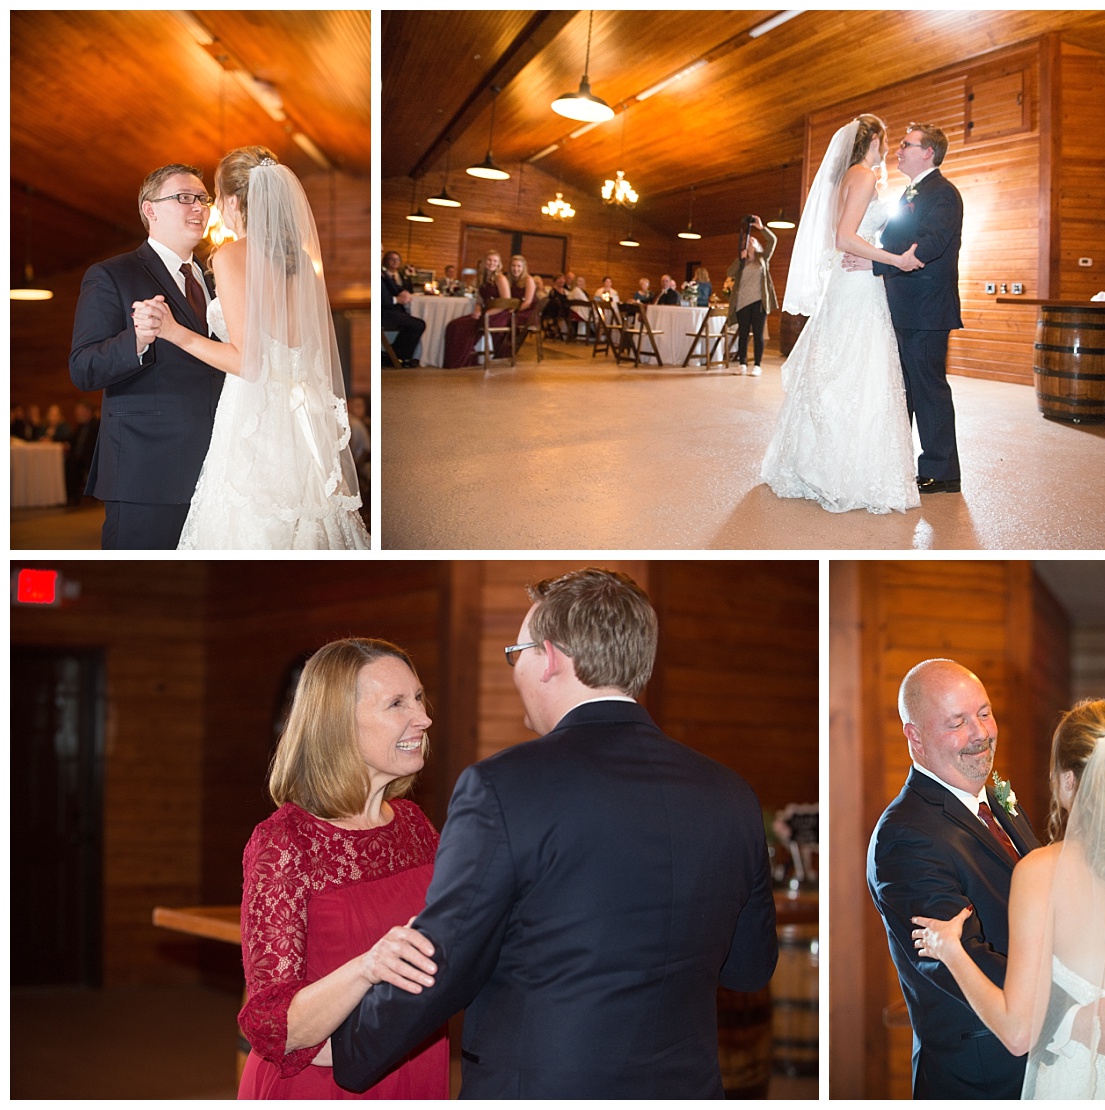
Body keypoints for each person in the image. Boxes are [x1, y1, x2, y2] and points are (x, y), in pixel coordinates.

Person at [331, 568, 778, 1097]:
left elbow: (443, 961)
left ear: (551, 658)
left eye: (516, 652)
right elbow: (750, 968)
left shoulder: (501, 788)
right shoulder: (731, 794)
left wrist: (352, 1049)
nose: (514, 667)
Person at [867, 661, 1105, 1099]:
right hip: (988, 1075)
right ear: (915, 736)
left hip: (1059, 1063)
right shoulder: (905, 835)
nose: (981, 733)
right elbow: (956, 958)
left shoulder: (998, 800)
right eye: (958, 722)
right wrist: (1081, 1017)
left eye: (984, 713)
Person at [237, 637, 448, 1099]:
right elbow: (273, 1026)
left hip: (415, 1066)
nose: (423, 717)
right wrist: (368, 967)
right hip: (323, 1085)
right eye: (397, 703)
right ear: (338, 726)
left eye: (418, 697)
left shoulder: (413, 825)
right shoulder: (285, 841)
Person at [132, 146, 369, 549]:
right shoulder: (304, 265)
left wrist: (174, 331)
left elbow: (248, 361)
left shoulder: (232, 256)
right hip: (304, 420)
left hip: (255, 419)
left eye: (215, 199)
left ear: (234, 200)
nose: (214, 210)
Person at [762, 115, 922, 513]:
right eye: (886, 141)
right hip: (857, 283)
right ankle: (844, 470)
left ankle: (811, 461)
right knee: (858, 365)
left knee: (839, 362)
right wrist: (894, 260)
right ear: (874, 141)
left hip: (845, 278)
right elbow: (845, 237)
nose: (889, 149)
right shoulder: (865, 175)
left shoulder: (844, 177)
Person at [69, 162, 225, 548]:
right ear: (150, 209)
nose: (199, 208)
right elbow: (84, 367)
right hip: (149, 468)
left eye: (203, 199)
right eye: (184, 198)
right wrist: (137, 339)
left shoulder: (213, 278)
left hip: (219, 468)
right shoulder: (112, 274)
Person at [851, 122, 965, 495]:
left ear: (927, 152)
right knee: (906, 389)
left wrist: (876, 264)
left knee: (928, 386)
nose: (898, 150)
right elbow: (898, 242)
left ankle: (942, 471)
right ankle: (904, 461)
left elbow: (928, 246)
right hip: (904, 304)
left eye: (906, 145)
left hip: (928, 307)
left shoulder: (944, 194)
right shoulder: (911, 193)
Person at [725, 219, 778, 374]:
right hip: (742, 302)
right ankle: (742, 364)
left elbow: (773, 240)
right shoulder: (741, 262)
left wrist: (761, 227)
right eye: (748, 240)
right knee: (743, 334)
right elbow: (729, 273)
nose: (750, 241)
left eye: (753, 240)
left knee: (758, 334)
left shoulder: (763, 258)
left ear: (756, 245)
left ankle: (757, 365)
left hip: (759, 302)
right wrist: (740, 259)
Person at [443, 250, 511, 367]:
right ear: (485, 262)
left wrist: (486, 314)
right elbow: (479, 299)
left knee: (462, 327)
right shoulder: (482, 278)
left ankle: (462, 362)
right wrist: (477, 310)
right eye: (489, 260)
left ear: (499, 263)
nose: (492, 263)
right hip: (485, 313)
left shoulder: (500, 278)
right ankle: (454, 361)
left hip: (498, 314)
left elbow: (505, 303)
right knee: (453, 325)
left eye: (495, 261)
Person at [382, 251, 425, 368]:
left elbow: (394, 287)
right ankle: (398, 357)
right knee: (418, 325)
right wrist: (396, 300)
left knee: (415, 321)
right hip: (382, 313)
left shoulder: (383, 272)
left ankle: (393, 356)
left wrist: (402, 291)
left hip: (390, 310)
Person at [66, 401, 101, 504]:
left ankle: (76, 495)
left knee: (72, 464)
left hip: (91, 458)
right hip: (79, 458)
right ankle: (72, 495)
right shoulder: (80, 427)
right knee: (68, 462)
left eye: (80, 411)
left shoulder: (97, 425)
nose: (77, 414)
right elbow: (73, 441)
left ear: (88, 411)